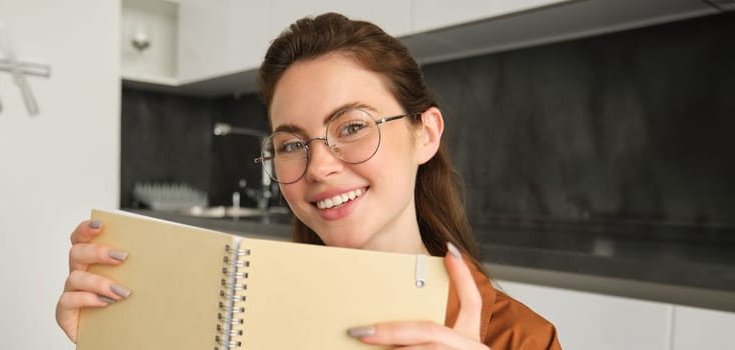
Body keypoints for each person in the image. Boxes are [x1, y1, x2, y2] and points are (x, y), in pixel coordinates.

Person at [57, 12, 561, 349]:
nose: (319, 167)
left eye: (353, 127)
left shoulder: (521, 339)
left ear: (425, 134)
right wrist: (112, 339)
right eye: (292, 143)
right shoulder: (244, 319)